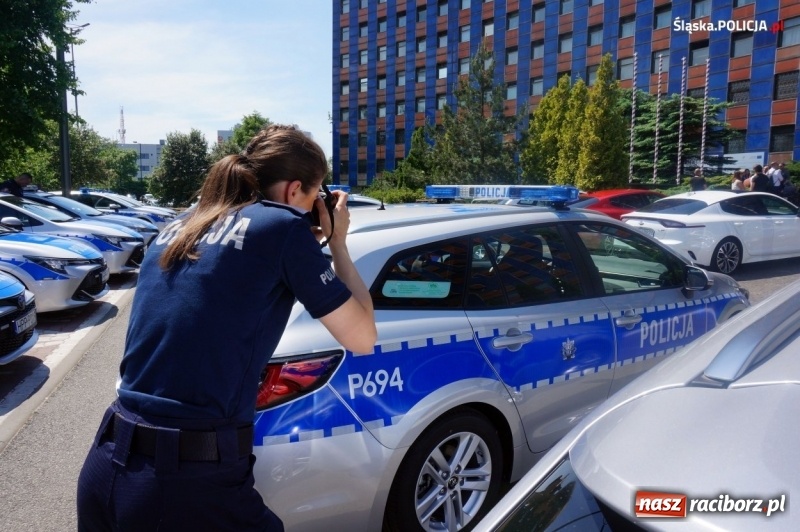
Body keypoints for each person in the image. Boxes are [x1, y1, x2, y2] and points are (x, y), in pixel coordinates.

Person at [77, 124, 377, 531]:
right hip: (185, 485)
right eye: (314, 194)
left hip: (108, 462)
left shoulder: (181, 225)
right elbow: (362, 337)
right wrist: (337, 243)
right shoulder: (284, 227)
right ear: (294, 190)